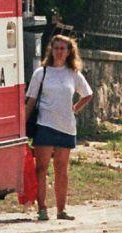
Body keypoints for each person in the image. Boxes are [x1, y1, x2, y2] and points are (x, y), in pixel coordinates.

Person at [25, 33, 93, 222]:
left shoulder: (73, 74)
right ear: (51, 50)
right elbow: (30, 101)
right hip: (45, 125)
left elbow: (88, 94)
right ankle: (42, 208)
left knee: (61, 170)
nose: (59, 52)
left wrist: (75, 108)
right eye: (56, 48)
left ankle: (61, 210)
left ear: (69, 51)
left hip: (66, 126)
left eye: (62, 48)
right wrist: (22, 125)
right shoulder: (41, 73)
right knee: (41, 168)